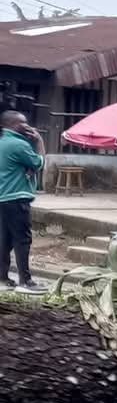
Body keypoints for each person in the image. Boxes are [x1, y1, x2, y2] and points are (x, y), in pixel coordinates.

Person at [0, 111, 44, 291]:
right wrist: (39, 141)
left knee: (4, 239)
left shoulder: (3, 142)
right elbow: (39, 162)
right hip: (17, 198)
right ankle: (25, 281)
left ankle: (2, 278)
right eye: (23, 124)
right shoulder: (19, 144)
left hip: (3, 198)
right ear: (12, 125)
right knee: (22, 240)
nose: (27, 127)